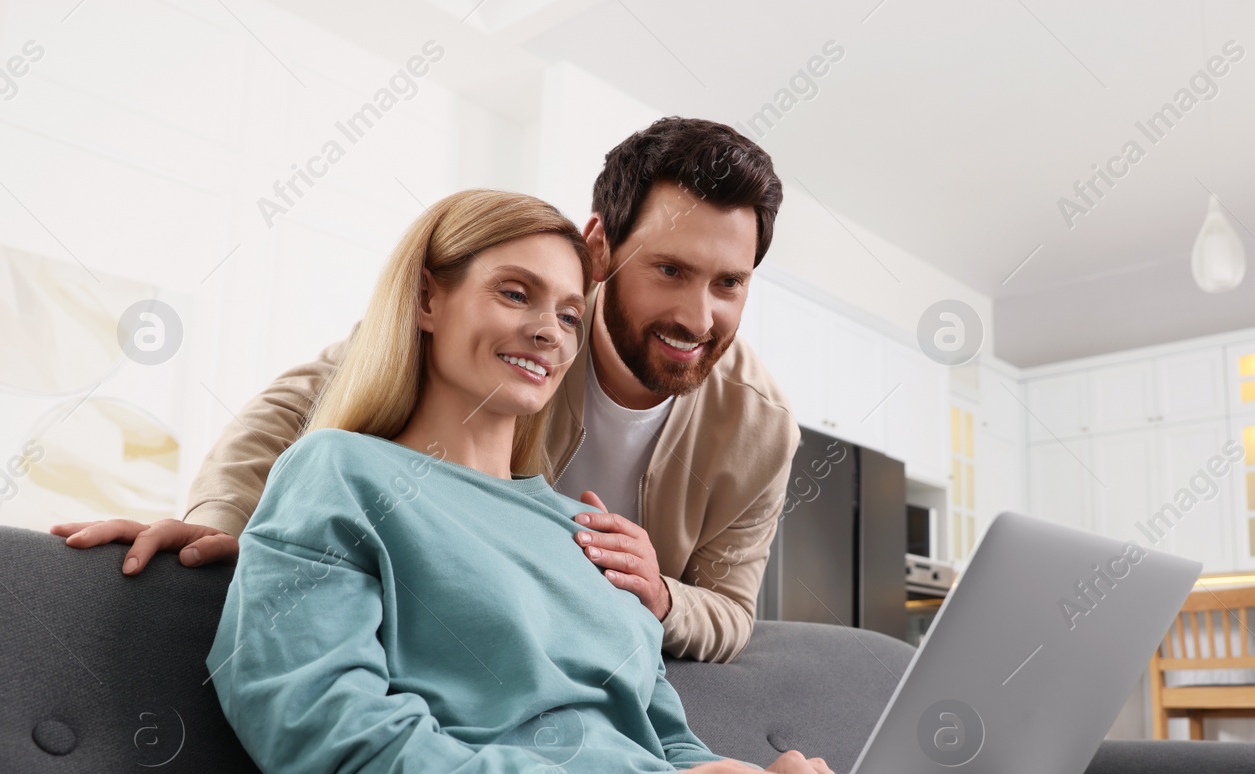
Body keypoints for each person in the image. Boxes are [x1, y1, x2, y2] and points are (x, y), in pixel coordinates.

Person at [206, 187, 1255, 774]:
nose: (548, 329)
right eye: (514, 293)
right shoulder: (336, 478)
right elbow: (345, 766)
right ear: (430, 300)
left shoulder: (585, 527)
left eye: (568, 312)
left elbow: (652, 731)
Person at [52, 117, 799, 663]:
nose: (699, 316)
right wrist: (225, 523)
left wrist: (661, 597)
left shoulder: (762, 430)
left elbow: (731, 611)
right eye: (669, 270)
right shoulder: (524, 329)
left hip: (572, 669)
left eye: (729, 283)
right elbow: (299, 402)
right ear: (599, 246)